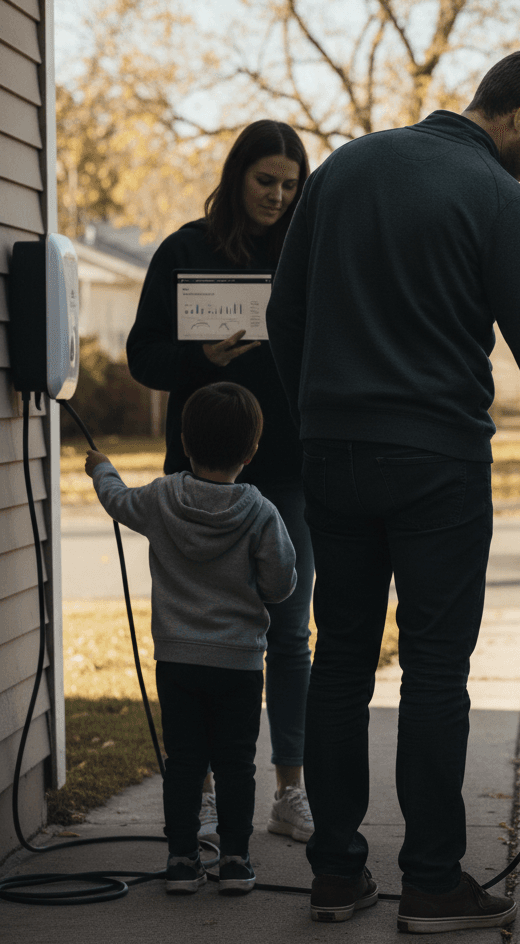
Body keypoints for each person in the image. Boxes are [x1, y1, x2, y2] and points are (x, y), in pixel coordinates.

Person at [266, 50, 520, 933]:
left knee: (338, 660)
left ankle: (337, 874)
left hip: (334, 456)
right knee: (433, 670)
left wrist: (318, 415)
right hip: (437, 468)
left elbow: (285, 315)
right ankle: (430, 881)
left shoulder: (345, 168)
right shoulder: (500, 202)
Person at [127, 121, 316, 844]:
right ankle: (200, 790)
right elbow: (143, 356)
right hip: (200, 474)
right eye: (265, 180)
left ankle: (289, 791)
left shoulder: (307, 255)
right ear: (237, 176)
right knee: (192, 634)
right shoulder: (186, 250)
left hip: (290, 469)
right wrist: (199, 355)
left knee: (290, 630)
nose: (277, 195)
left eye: (289, 184)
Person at [85, 383, 298, 894]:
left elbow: (117, 501)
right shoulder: (261, 512)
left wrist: (101, 467)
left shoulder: (162, 498)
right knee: (235, 764)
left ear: (183, 440)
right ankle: (236, 861)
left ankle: (181, 861)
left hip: (178, 660)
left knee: (184, 762)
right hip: (240, 664)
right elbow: (281, 585)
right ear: (251, 452)